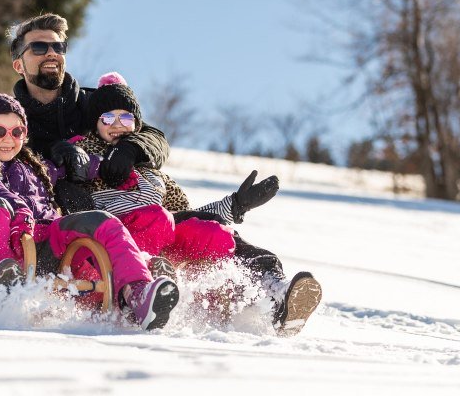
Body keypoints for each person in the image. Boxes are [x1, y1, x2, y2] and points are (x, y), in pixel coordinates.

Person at [75, 72, 323, 336]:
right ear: (95, 123)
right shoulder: (84, 160)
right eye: (107, 117)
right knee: (155, 218)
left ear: (136, 124)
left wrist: (235, 205)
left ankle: (275, 295)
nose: (117, 124)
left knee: (212, 232)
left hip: (165, 237)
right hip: (118, 245)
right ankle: (140, 291)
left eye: (125, 117)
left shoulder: (153, 173)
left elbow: (187, 216)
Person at [0, 93, 179, 330]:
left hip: (48, 242)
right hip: (11, 246)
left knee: (103, 222)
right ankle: (3, 285)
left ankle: (137, 292)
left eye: (17, 132)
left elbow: (71, 168)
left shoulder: (33, 167)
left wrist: (92, 164)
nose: (8, 139)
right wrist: (22, 219)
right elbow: (0, 196)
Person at [6, 14, 170, 208]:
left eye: (58, 47)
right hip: (53, 219)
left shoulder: (94, 101)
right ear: (19, 66)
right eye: (39, 48)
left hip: (126, 205)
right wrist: (50, 151)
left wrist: (129, 149)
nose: (51, 53)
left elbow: (155, 137)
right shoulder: (10, 117)